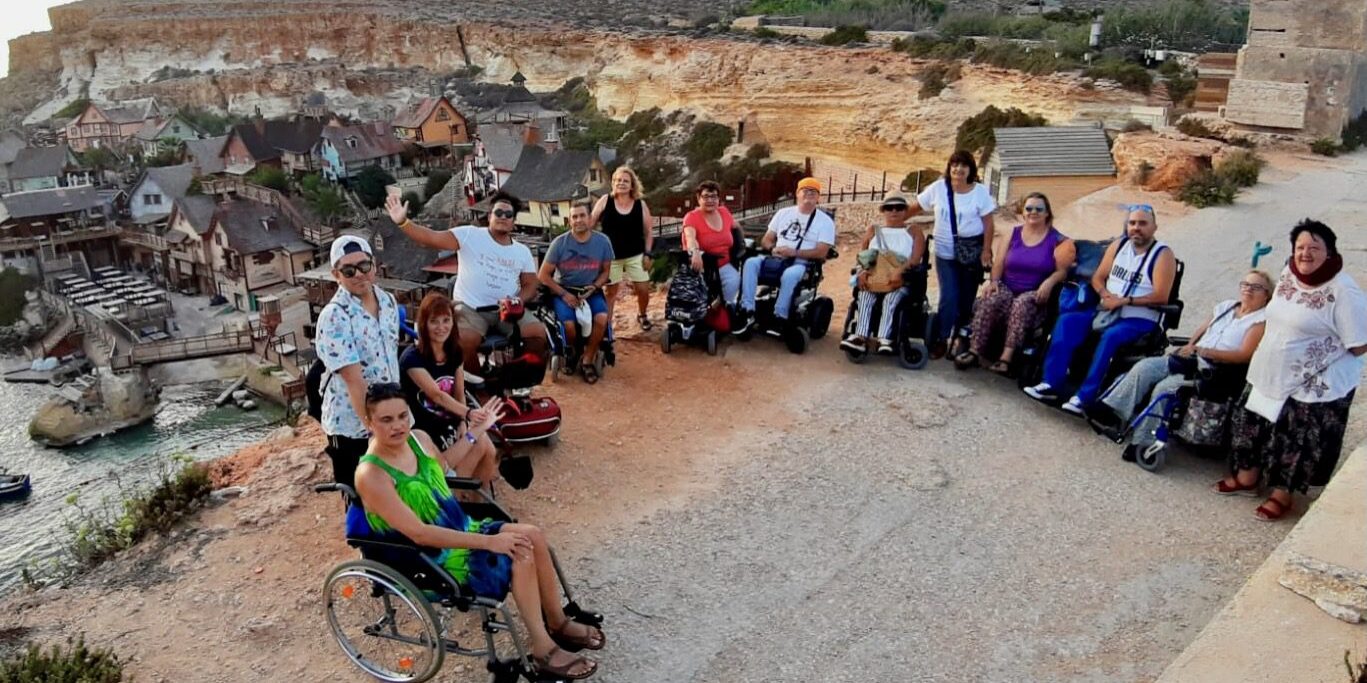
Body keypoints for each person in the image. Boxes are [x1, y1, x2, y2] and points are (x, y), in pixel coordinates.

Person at [354, 383, 605, 679]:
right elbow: (420, 534)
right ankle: (542, 650)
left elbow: (444, 466)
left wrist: (476, 432)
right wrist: (489, 542)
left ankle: (557, 622)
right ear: (368, 422)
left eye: (402, 416)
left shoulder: (418, 439)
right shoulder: (372, 475)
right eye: (386, 420)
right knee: (519, 551)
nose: (398, 426)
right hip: (433, 555)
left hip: (460, 526)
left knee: (533, 535)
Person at [1216, 220, 1367, 521]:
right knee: (1251, 423)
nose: (1305, 254)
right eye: (1300, 247)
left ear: (1330, 251)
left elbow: (1359, 344)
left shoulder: (1344, 292)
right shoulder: (1288, 273)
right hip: (1270, 367)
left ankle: (1281, 495)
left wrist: (1320, 353)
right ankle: (1247, 478)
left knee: (1295, 439)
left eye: (1314, 247)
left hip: (1313, 380)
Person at [1099, 270, 1272, 460]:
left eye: (1256, 287)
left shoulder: (1260, 321)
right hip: (1191, 359)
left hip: (1214, 371)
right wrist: (1190, 346)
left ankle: (1142, 443)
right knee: (1145, 366)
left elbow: (1243, 356)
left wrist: (1205, 352)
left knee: (1164, 390)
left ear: (1266, 295)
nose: (1248, 289)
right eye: (1246, 284)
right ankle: (1111, 412)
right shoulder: (1227, 307)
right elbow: (1202, 330)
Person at [1025, 205, 1177, 415]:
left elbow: (1161, 296)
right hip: (1106, 310)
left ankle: (1085, 397)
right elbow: (1098, 277)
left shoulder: (1163, 255)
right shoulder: (1119, 246)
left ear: (1154, 227)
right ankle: (1051, 383)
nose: (1136, 228)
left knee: (1111, 338)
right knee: (1068, 322)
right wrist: (1105, 295)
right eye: (1132, 223)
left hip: (1138, 318)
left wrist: (1124, 301)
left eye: (1143, 223)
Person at [388, 191, 545, 373]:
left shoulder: (522, 251)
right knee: (463, 343)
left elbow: (530, 284)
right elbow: (431, 238)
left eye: (508, 214)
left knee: (537, 333)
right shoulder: (470, 235)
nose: (503, 217)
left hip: (507, 309)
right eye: (498, 213)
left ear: (514, 221)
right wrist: (403, 222)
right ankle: (480, 386)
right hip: (472, 309)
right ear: (489, 216)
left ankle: (518, 378)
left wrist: (518, 301)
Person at [315, 235, 400, 491]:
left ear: (373, 265)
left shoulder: (387, 301)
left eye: (364, 266)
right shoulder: (335, 317)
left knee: (397, 492)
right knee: (361, 498)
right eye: (349, 270)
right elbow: (354, 381)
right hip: (354, 426)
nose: (359, 275)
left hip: (390, 416)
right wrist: (374, 431)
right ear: (336, 275)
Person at [959, 192, 1075, 373]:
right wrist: (994, 281)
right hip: (1008, 286)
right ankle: (974, 351)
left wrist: (1050, 281)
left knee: (1021, 304)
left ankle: (1006, 358)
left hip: (1034, 292)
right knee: (991, 298)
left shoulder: (1057, 240)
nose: (1033, 212)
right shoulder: (1013, 234)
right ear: (1023, 212)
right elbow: (998, 263)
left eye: (1038, 209)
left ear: (1047, 213)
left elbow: (1062, 271)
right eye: (1029, 208)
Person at [399, 291, 499, 486]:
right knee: (474, 448)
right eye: (434, 321)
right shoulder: (412, 358)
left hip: (452, 420)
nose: (441, 327)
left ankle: (480, 501)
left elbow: (459, 392)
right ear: (423, 324)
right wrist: (470, 414)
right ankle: (457, 497)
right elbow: (437, 396)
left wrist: (463, 421)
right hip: (426, 428)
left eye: (446, 320)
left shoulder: (454, 352)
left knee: (488, 448)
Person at [907, 150, 997, 360]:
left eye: (963, 165)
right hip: (945, 253)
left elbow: (988, 223)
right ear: (949, 168)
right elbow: (917, 207)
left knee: (966, 298)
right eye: (954, 164)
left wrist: (986, 249)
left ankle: (961, 337)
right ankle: (942, 337)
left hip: (971, 253)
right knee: (949, 296)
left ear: (970, 170)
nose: (958, 169)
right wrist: (894, 220)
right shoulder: (939, 188)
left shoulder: (980, 192)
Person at [735, 177, 837, 334]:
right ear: (797, 193)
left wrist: (794, 253)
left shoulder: (825, 222)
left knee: (790, 274)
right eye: (805, 191)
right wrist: (773, 248)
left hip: (803, 263)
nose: (809, 195)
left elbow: (821, 251)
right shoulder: (783, 213)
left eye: (813, 192)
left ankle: (780, 316)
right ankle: (747, 310)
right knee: (750, 263)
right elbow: (766, 239)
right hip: (776, 258)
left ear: (818, 197)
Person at [841, 192, 926, 354]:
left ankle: (884, 339)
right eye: (889, 208)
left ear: (905, 210)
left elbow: (915, 259)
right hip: (875, 279)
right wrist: (861, 271)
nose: (894, 211)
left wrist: (900, 271)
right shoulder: (873, 230)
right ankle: (860, 337)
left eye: (899, 208)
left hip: (901, 280)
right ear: (883, 210)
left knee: (891, 299)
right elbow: (864, 256)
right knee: (865, 296)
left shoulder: (913, 230)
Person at [538, 202, 614, 383]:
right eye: (574, 217)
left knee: (602, 319)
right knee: (569, 326)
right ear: (569, 220)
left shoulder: (602, 241)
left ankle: (588, 359)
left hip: (590, 289)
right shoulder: (559, 243)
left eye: (582, 216)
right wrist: (564, 294)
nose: (578, 220)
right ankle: (574, 351)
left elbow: (606, 272)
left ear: (590, 218)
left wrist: (595, 286)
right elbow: (543, 275)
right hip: (565, 289)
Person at [592, 167, 655, 331]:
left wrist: (648, 253)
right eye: (618, 180)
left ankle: (642, 314)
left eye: (625, 181)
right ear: (613, 183)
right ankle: (607, 326)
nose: (621, 183)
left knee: (642, 289)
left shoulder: (640, 204)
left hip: (636, 254)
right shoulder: (605, 201)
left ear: (632, 185)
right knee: (611, 292)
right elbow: (590, 225)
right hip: (611, 256)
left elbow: (649, 232)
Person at [681, 180, 741, 305]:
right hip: (702, 265)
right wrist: (695, 253)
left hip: (723, 263)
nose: (710, 200)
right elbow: (690, 237)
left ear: (718, 199)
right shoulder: (692, 217)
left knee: (734, 280)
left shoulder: (724, 212)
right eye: (706, 197)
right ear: (698, 199)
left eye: (714, 197)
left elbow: (736, 226)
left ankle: (721, 309)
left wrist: (742, 242)